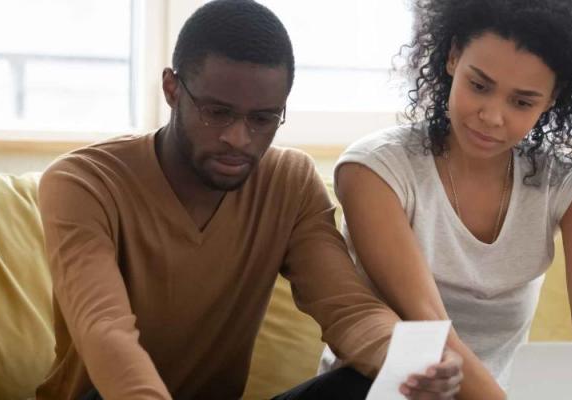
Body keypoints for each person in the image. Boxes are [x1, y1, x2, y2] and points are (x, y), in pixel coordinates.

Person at [35, 1, 462, 399]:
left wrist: (410, 364)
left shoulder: (289, 182)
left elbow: (347, 309)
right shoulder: (83, 184)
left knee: (359, 384)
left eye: (262, 119)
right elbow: (105, 332)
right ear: (171, 88)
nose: (238, 139)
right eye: (216, 113)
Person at [323, 0, 572, 398]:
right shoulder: (374, 171)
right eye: (480, 85)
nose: (491, 116)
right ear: (453, 58)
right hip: (375, 391)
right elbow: (429, 323)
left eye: (521, 102)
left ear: (552, 99)